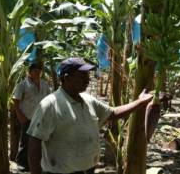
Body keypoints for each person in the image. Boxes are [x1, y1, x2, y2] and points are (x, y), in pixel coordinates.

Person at [27, 57, 155, 174]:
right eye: (82, 76)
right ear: (67, 78)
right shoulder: (50, 105)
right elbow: (34, 141)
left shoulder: (88, 100)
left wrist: (140, 102)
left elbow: (113, 113)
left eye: (87, 75)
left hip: (88, 169)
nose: (88, 80)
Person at [13, 62, 51, 172]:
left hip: (41, 117)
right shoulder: (22, 85)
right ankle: (22, 164)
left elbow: (50, 98)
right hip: (28, 117)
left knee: (39, 141)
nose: (37, 73)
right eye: (35, 71)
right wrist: (20, 116)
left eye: (39, 71)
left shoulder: (44, 84)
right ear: (30, 72)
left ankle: (36, 164)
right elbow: (16, 101)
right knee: (25, 142)